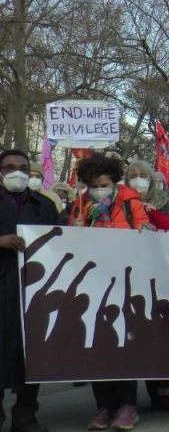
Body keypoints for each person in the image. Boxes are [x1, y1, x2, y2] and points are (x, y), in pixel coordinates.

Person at [69, 153, 153, 431]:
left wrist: (144, 229)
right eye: (93, 184)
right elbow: (66, 242)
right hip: (92, 283)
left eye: (104, 183)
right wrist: (75, 231)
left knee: (124, 343)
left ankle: (128, 406)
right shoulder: (80, 205)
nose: (99, 189)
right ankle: (103, 406)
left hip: (125, 283)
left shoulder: (130, 203)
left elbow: (144, 229)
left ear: (114, 182)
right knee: (97, 344)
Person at [0, 150, 58, 432]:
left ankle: (25, 416)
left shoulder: (44, 205)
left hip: (34, 289)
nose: (18, 173)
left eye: (23, 168)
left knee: (31, 352)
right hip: (1, 287)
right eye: (10, 167)